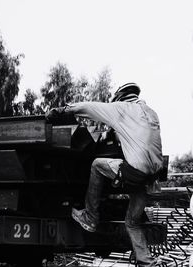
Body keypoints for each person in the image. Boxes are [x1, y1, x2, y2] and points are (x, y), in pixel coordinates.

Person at [46, 82, 163, 267]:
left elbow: (90, 108)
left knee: (96, 164)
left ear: (119, 97)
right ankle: (146, 262)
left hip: (135, 172)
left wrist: (63, 110)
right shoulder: (150, 113)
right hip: (151, 178)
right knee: (132, 222)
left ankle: (90, 218)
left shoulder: (122, 109)